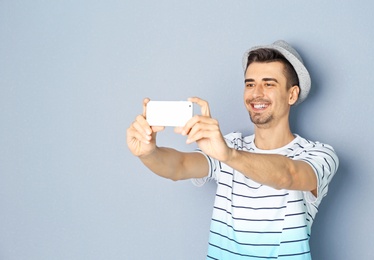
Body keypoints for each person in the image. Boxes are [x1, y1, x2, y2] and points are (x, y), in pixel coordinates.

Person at [127, 40, 339, 259]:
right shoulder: (228, 145)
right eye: (250, 84)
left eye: (269, 84)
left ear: (292, 94)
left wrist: (228, 155)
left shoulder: (319, 154)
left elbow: (288, 175)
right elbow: (179, 167)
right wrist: (148, 152)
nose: (256, 93)